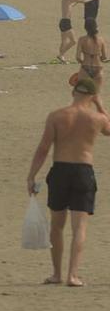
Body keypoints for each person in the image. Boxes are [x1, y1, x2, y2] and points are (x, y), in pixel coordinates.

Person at [26, 78, 110, 286]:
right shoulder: (96, 118)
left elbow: (43, 149)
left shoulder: (56, 116)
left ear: (73, 93)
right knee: (79, 227)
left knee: (57, 225)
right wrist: (100, 104)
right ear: (91, 97)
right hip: (83, 171)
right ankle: (73, 275)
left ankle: (56, 274)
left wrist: (32, 175)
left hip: (60, 170)